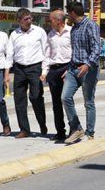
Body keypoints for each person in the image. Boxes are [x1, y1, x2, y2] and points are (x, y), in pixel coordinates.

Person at [62, 1, 101, 144]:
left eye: (68, 13)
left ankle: (90, 132)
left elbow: (96, 47)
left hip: (88, 70)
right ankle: (76, 128)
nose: (67, 16)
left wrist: (88, 64)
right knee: (65, 97)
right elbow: (75, 51)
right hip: (73, 69)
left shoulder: (91, 25)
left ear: (73, 13)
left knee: (88, 102)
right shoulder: (74, 29)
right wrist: (68, 69)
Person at [9, 7, 48, 138]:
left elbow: (46, 51)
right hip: (19, 69)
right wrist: (7, 73)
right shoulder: (14, 35)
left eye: (30, 18)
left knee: (36, 97)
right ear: (19, 20)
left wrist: (44, 71)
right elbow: (10, 54)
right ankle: (24, 129)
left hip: (35, 68)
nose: (29, 21)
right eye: (26, 19)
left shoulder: (39, 32)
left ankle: (42, 123)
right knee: (19, 100)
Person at [40, 9, 71, 142]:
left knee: (67, 100)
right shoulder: (50, 34)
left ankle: (74, 129)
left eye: (50, 20)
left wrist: (70, 69)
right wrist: (44, 72)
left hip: (67, 68)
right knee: (56, 103)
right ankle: (60, 132)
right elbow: (47, 54)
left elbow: (75, 53)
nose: (49, 22)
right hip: (53, 70)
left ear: (58, 21)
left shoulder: (71, 32)